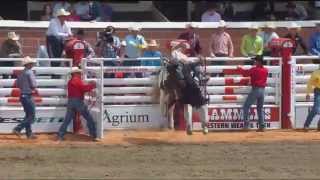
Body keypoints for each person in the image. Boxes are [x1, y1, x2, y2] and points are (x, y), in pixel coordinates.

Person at [58, 67, 98, 141]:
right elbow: (84, 89)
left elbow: (81, 88)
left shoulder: (70, 82)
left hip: (70, 101)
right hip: (78, 102)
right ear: (75, 73)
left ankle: (60, 135)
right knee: (89, 118)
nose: (80, 74)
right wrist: (93, 85)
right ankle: (94, 135)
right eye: (79, 73)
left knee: (67, 120)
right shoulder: (77, 80)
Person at [237, 55, 268, 132]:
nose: (255, 62)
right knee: (260, 108)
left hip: (256, 89)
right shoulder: (266, 70)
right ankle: (262, 126)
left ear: (259, 62)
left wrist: (239, 68)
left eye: (256, 61)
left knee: (246, 106)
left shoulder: (254, 69)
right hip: (262, 90)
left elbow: (245, 73)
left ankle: (246, 125)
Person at [12, 56, 38, 139]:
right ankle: (18, 128)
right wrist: (32, 88)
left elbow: (17, 84)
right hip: (28, 95)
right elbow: (34, 84)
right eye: (31, 63)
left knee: (28, 115)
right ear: (29, 64)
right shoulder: (30, 72)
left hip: (23, 95)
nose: (32, 65)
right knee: (32, 116)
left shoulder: (21, 73)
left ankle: (29, 133)